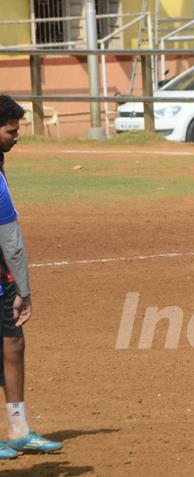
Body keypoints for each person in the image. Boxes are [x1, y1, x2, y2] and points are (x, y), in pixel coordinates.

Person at [0, 95, 63, 459]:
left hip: (2, 277)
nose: (17, 135)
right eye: (12, 129)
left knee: (13, 344)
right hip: (6, 275)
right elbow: (9, 233)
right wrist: (24, 287)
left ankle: (18, 428)